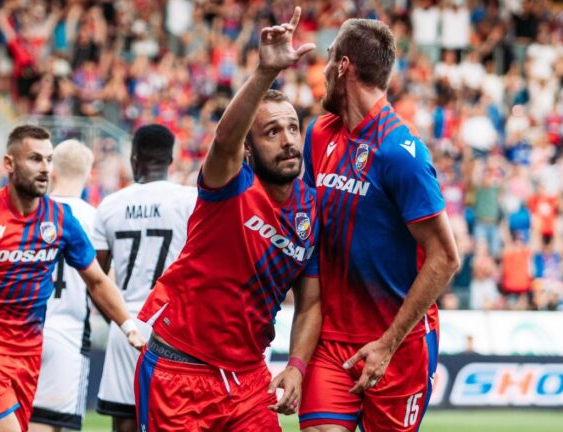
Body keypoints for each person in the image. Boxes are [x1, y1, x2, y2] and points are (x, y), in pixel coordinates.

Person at [135, 8, 321, 431]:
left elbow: (310, 303)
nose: (289, 140)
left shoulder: (312, 210)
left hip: (249, 381)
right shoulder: (230, 185)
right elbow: (223, 141)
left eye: (293, 128)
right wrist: (264, 73)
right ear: (250, 150)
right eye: (272, 132)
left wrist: (296, 366)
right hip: (178, 370)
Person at [299, 19, 460, 432]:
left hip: (398, 347)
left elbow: (446, 257)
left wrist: (388, 344)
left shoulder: (401, 152)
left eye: (329, 58)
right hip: (332, 343)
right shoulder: (319, 135)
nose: (322, 71)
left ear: (344, 66)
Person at [0, 125, 145, 432]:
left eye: (48, 160)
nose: (45, 168)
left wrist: (128, 326)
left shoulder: (61, 220)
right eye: (35, 159)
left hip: (29, 351)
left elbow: (97, 281)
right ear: (9, 164)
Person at [92, 124, 197, 432]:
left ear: (134, 159)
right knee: (177, 421)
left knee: (124, 423)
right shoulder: (191, 201)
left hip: (126, 323)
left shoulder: (110, 205)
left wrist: (117, 318)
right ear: (171, 160)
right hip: (176, 328)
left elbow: (96, 279)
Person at [28, 139, 97, 432]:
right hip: (68, 332)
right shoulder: (95, 218)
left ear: (52, 169)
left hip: (25, 330)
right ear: (88, 173)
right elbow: (102, 279)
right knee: (54, 424)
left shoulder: (29, 212)